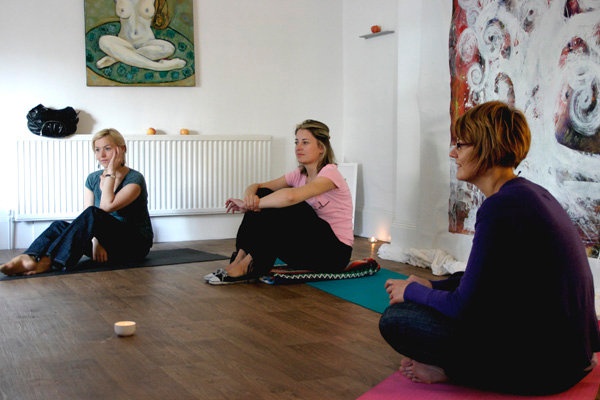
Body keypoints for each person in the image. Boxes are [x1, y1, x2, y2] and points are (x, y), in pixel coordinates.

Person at [379, 101, 600, 395]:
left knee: (397, 319)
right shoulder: (528, 194)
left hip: (550, 369)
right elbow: (484, 279)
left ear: (486, 147)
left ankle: (455, 371)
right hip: (577, 356)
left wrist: (412, 292)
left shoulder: (502, 207)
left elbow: (463, 306)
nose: (453, 153)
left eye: (460, 145)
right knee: (424, 304)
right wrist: (430, 284)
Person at [204, 119, 354, 285]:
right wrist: (250, 199)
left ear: (321, 147)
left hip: (333, 254)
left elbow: (291, 197)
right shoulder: (300, 173)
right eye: (296, 142)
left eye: (305, 142)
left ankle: (250, 265)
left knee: (289, 205)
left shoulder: (330, 173)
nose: (298, 147)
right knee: (263, 194)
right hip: (308, 249)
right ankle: (239, 259)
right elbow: (257, 187)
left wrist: (252, 204)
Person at [0, 128, 154, 276]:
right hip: (106, 243)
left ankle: (49, 262)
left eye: (107, 148)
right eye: (97, 150)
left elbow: (105, 207)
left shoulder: (135, 179)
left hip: (134, 245)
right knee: (59, 226)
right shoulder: (93, 178)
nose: (101, 155)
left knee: (93, 213)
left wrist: (111, 172)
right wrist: (96, 242)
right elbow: (87, 216)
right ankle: (29, 256)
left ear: (122, 149)